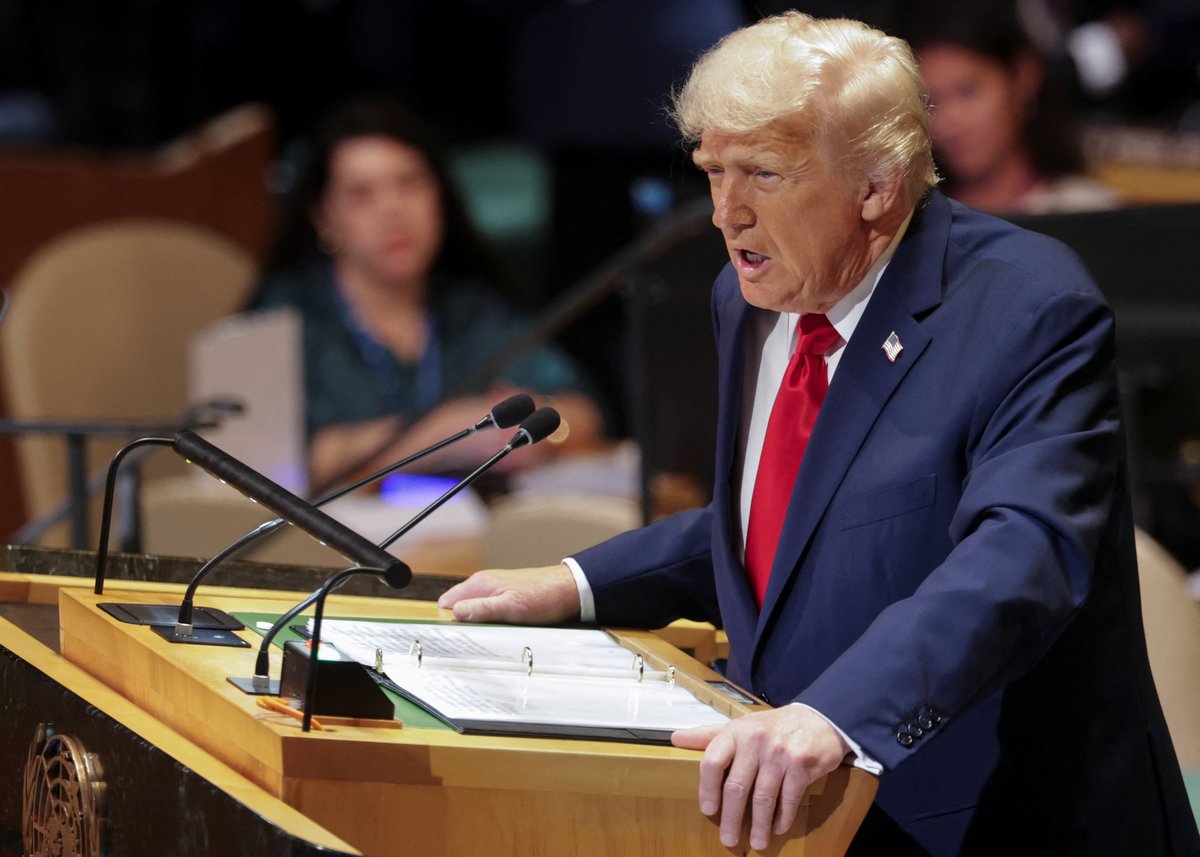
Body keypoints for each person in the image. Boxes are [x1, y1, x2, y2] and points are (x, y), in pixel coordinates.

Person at [438, 13, 1200, 856]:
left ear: (877, 185)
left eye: (764, 173)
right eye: (713, 171)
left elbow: (1021, 556)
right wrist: (577, 582)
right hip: (798, 812)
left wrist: (838, 715)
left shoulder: (1026, 306)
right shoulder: (749, 297)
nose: (728, 214)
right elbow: (788, 523)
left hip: (995, 821)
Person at [249, 97, 604, 489]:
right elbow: (279, 466)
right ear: (322, 216)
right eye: (362, 194)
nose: (392, 210)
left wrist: (541, 433)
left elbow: (583, 412)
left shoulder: (468, 304)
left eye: (409, 183)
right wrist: (454, 431)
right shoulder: (282, 320)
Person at [908, 0, 1120, 214]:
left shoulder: (1083, 210)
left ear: (1024, 76)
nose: (948, 121)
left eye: (967, 91)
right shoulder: (912, 220)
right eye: (930, 102)